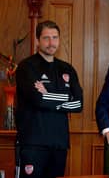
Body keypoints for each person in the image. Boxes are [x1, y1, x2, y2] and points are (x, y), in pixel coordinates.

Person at [15, 20, 83, 178]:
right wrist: (65, 98)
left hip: (59, 143)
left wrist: (47, 94)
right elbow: (38, 100)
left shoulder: (67, 68)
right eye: (46, 38)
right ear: (38, 40)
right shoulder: (26, 67)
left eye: (55, 37)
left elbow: (79, 103)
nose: (51, 42)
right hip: (33, 143)